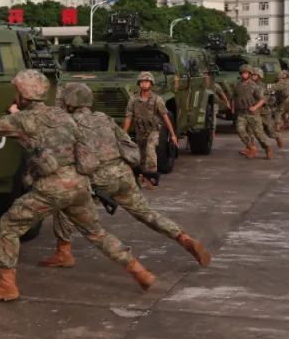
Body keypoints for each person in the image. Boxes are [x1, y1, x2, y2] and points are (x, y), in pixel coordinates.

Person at [0, 69, 155, 302]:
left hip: (51, 188)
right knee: (97, 233)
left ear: (23, 95)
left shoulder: (22, 120)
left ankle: (6, 285)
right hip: (79, 185)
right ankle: (140, 271)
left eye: (16, 92)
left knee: (8, 226)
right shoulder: (60, 115)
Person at [43, 83, 212, 269]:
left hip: (99, 180)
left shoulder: (69, 124)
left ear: (69, 102)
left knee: (64, 206)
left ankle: (63, 252)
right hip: (123, 173)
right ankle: (183, 238)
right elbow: (127, 144)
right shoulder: (103, 118)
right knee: (147, 214)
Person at [122, 71, 177, 188]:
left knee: (150, 151)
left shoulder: (157, 99)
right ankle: (143, 176)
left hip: (154, 131)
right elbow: (128, 117)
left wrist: (172, 134)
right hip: (140, 131)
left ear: (151, 84)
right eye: (142, 81)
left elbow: (165, 117)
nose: (144, 84)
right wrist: (124, 134)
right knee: (141, 155)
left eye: (147, 81)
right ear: (139, 84)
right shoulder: (133, 100)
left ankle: (151, 178)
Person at [233, 64, 272, 159]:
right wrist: (233, 106)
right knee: (240, 130)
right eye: (242, 73)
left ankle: (268, 148)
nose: (244, 75)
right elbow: (234, 96)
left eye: (246, 73)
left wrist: (255, 107)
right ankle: (251, 148)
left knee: (259, 134)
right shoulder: (238, 84)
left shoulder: (254, 86)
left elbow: (262, 99)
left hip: (253, 114)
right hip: (242, 113)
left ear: (250, 74)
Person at [251, 68, 284, 149]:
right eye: (252, 75)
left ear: (259, 76)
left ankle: (277, 136)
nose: (252, 76)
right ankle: (250, 147)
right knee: (251, 129)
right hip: (253, 111)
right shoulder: (249, 85)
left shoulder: (265, 86)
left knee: (269, 130)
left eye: (255, 75)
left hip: (264, 110)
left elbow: (271, 98)